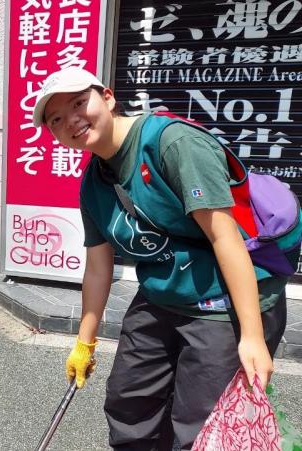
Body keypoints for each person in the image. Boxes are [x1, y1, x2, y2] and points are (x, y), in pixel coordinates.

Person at [32, 67, 288, 450]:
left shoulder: (172, 144)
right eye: (56, 119)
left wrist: (252, 336)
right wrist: (84, 342)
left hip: (222, 303)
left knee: (200, 425)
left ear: (108, 97)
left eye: (79, 103)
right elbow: (99, 267)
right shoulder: (94, 182)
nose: (71, 120)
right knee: (128, 402)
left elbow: (225, 237)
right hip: (162, 296)